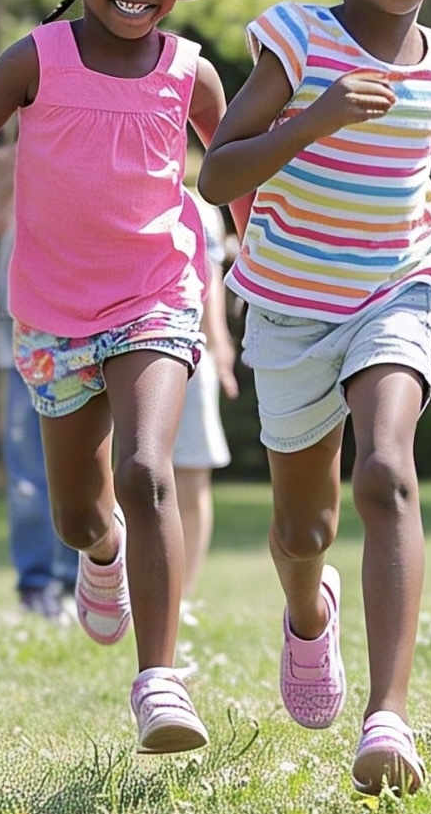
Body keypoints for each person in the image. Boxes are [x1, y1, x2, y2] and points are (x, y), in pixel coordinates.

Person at [0, 0, 246, 755]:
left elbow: (234, 173)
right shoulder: (35, 60)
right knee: (81, 511)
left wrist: (263, 257)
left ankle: (160, 681)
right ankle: (100, 553)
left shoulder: (193, 74)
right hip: (51, 315)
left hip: (157, 295)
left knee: (148, 469)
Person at [198, 0, 431, 797]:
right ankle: (306, 610)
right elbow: (218, 173)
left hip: (397, 285)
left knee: (388, 471)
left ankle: (387, 715)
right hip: (287, 305)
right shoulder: (296, 39)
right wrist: (313, 117)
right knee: (302, 528)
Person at [0, 137, 79, 623]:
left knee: (81, 467)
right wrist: (19, 146)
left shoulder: (83, 145)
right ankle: (36, 584)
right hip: (21, 331)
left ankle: (77, 581)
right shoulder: (12, 158)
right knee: (28, 474)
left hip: (78, 325)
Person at [174, 189, 236, 607]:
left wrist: (218, 347)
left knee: (192, 474)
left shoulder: (200, 207)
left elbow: (210, 281)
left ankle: (185, 595)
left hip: (193, 350)